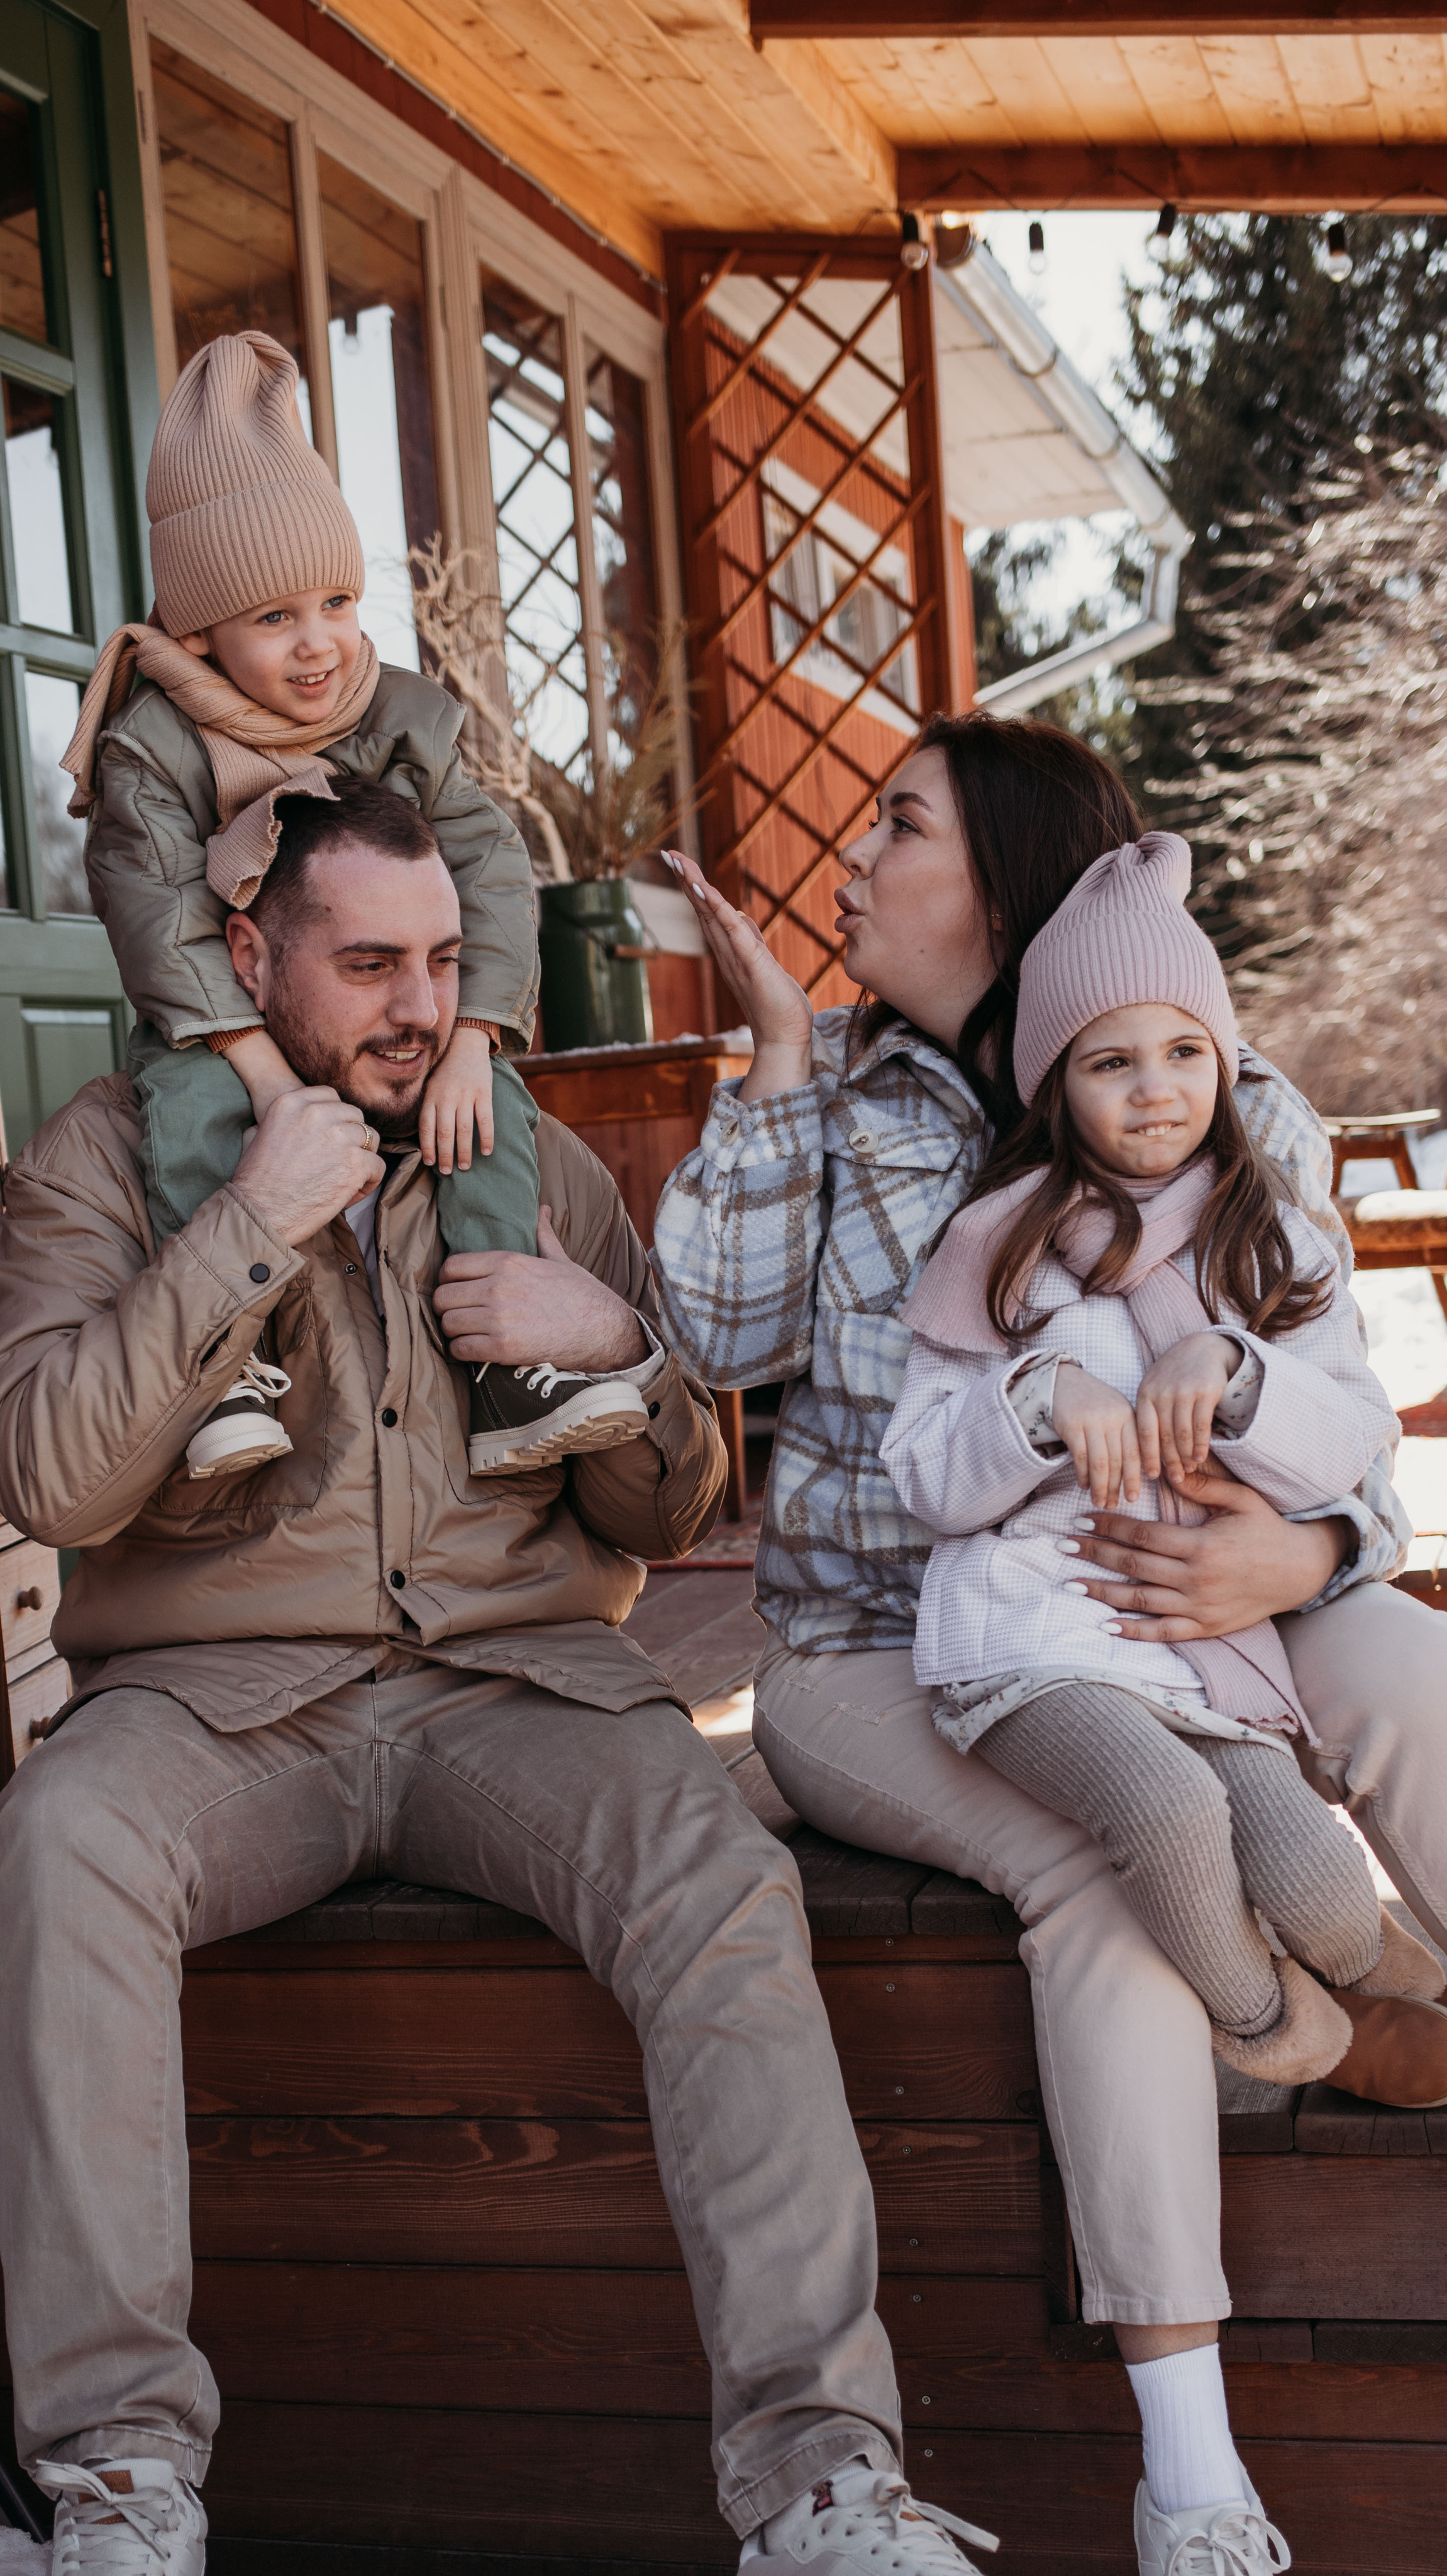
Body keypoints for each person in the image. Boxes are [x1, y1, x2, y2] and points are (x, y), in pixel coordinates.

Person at [0, 784, 1001, 2576]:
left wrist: (617, 1345)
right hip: (224, 1709)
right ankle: (118, 2480)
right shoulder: (99, 1155)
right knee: (60, 1837)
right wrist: (242, 1223)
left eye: (443, 962)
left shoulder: (528, 1161)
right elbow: (55, 1482)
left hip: (516, 1692)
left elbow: (663, 1497)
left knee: (719, 1874)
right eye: (366, 961)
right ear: (251, 957)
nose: (412, 1004)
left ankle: (817, 2487)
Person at [651, 713, 1446, 2576]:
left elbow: (1356, 1449)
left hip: (1225, 1601)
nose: (847, 856)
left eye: (893, 824)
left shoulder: (1215, 1093)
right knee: (1112, 1868)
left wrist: (1306, 1546)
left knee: (1411, 1674)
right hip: (899, 1649)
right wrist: (768, 1061)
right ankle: (1193, 2484)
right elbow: (706, 1328)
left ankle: (1355, 1997)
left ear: (1005, 880)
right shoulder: (837, 1103)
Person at [881, 830, 1445, 2118]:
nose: (1153, 1089)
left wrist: (1234, 1371)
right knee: (1173, 1814)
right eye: (1109, 1061)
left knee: (1308, 1866)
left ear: (1224, 1059)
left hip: (1190, 1659)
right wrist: (1033, 1399)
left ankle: (1369, 1980)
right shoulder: (999, 1245)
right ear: (1054, 1084)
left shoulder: (1270, 1234)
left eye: (1184, 1050)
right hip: (1026, 1641)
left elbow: (1354, 1432)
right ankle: (1281, 2029)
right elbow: (922, 1466)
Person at [61, 326, 644, 1482]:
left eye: (336, 599)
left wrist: (476, 1035)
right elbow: (155, 912)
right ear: (199, 633)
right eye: (276, 619)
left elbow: (486, 867)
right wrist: (264, 1077)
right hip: (222, 1022)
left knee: (488, 1121)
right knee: (192, 1121)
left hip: (379, 1030)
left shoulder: (400, 718)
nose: (320, 643)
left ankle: (504, 1363)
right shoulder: (154, 744)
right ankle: (222, 1373)